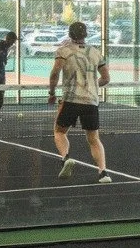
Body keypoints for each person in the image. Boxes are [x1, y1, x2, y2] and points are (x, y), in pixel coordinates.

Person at [47, 21, 111, 183]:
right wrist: (92, 85)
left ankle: (66, 157)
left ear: (70, 34)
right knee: (94, 139)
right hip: (91, 101)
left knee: (59, 132)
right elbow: (105, 78)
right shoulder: (96, 53)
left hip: (70, 100)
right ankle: (103, 173)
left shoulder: (64, 51)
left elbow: (55, 73)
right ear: (86, 35)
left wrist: (52, 92)